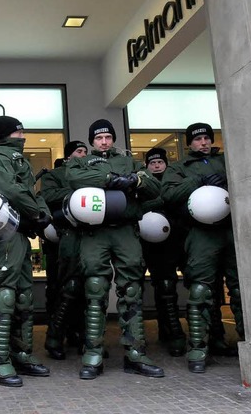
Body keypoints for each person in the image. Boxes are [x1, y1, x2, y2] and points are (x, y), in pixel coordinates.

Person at [67, 119, 164, 380]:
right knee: (95, 289)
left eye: (108, 137)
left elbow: (155, 187)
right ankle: (93, 353)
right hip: (95, 232)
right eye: (99, 138)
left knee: (131, 288)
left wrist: (135, 181)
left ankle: (135, 353)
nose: (104, 142)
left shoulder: (130, 162)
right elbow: (74, 178)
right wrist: (110, 179)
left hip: (124, 230)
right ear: (91, 141)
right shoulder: (81, 162)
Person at [0, 115, 51, 387]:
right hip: (4, 234)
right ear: (7, 134)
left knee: (25, 297)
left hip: (20, 233)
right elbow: (12, 190)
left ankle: (22, 355)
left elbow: (29, 191)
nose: (23, 136)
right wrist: (37, 213)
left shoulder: (15, 158)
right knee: (3, 295)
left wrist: (41, 215)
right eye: (19, 132)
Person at [161, 122, 244, 373]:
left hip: (231, 230)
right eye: (198, 139)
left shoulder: (226, 161)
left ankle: (250, 342)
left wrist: (227, 180)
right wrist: (197, 181)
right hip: (201, 234)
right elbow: (169, 195)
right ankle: (199, 347)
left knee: (241, 290)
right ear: (189, 143)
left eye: (207, 138)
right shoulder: (179, 168)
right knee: (200, 291)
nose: (204, 142)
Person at [41, 140, 88, 361]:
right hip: (64, 237)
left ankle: (84, 337)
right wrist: (76, 189)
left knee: (89, 290)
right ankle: (55, 338)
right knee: (67, 288)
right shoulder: (55, 175)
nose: (83, 155)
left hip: (90, 236)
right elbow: (46, 197)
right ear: (68, 157)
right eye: (79, 152)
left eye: (86, 152)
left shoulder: (93, 174)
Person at [140, 147, 187, 357]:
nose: (157, 165)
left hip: (174, 240)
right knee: (155, 286)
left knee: (168, 287)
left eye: (160, 162)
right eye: (152, 163)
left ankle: (169, 329)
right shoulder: (142, 184)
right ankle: (164, 331)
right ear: (147, 166)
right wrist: (163, 201)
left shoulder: (175, 180)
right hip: (148, 243)